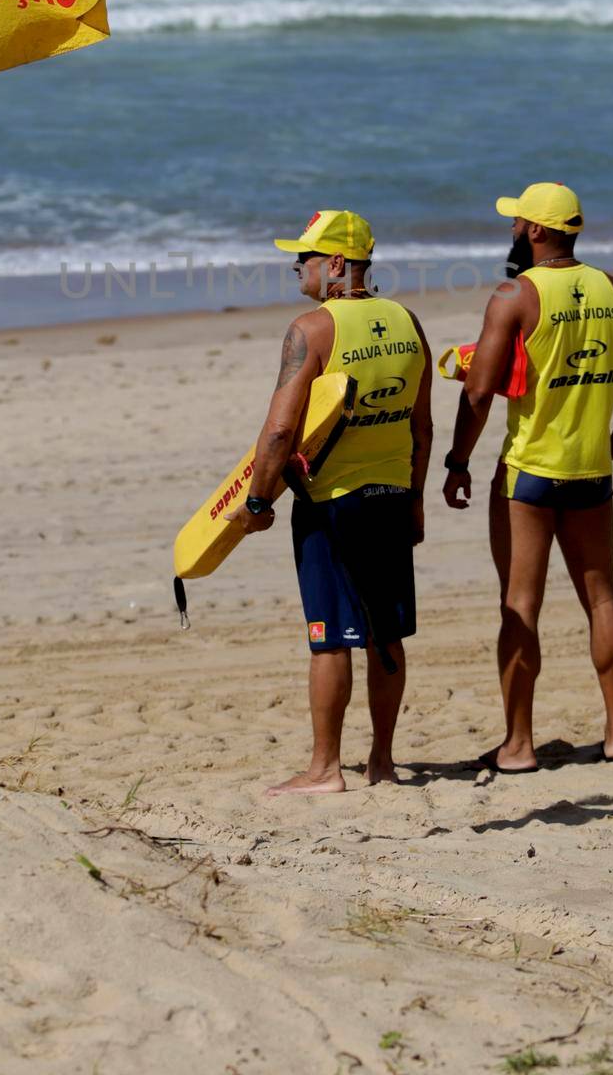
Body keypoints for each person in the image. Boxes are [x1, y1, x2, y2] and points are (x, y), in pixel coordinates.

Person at [442, 183, 613, 772]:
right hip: (591, 470)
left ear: (537, 231)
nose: (513, 230)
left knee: (521, 603)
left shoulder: (515, 294)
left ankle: (519, 746)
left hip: (530, 473)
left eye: (518, 223)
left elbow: (480, 389)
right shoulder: (609, 288)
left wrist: (457, 461)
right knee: (604, 599)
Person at [231, 211, 433, 796]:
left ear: (338, 264)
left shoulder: (312, 329)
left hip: (332, 504)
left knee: (331, 637)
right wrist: (416, 500)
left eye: (308, 256)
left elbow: (278, 432)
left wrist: (258, 502)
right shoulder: (408, 322)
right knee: (385, 634)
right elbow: (421, 425)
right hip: (392, 497)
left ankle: (325, 770)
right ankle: (384, 763)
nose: (297, 265)